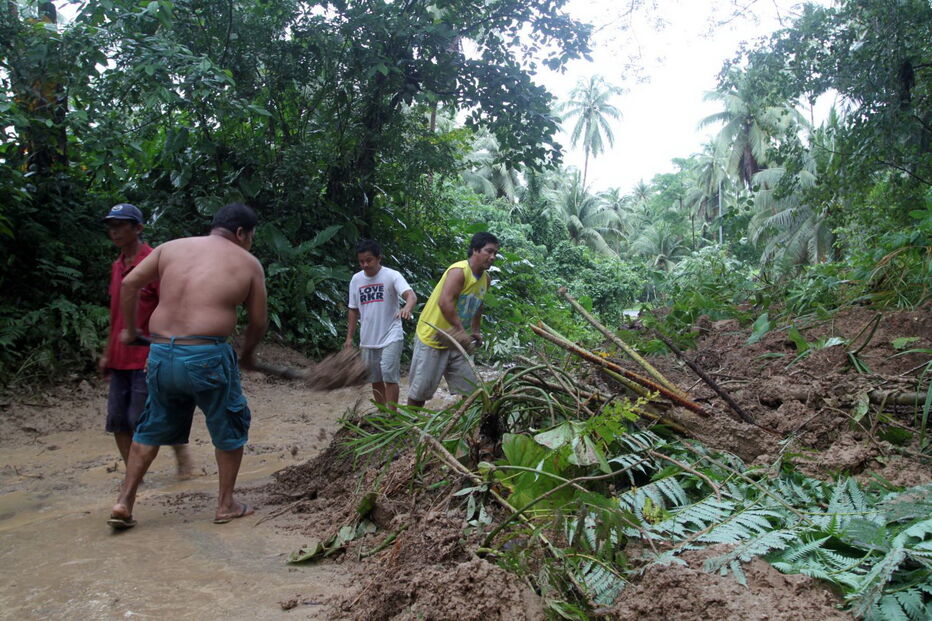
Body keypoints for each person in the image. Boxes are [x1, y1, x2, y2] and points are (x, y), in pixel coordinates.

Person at [107, 202, 267, 530]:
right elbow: (258, 322)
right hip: (206, 355)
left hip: (162, 354)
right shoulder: (248, 263)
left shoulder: (170, 248)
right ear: (241, 233)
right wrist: (248, 355)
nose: (250, 243)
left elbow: (128, 284)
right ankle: (225, 504)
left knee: (151, 426)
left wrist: (134, 331)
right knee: (229, 425)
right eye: (250, 237)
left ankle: (124, 500)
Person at [99, 203, 192, 478]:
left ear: (138, 228)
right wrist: (108, 352)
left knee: (140, 418)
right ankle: (133, 475)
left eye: (121, 225)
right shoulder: (117, 266)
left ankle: (178, 454)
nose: (114, 232)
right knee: (117, 420)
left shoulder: (155, 263)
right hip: (119, 356)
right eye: (111, 226)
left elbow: (173, 308)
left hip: (148, 354)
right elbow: (115, 314)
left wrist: (166, 348)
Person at [407, 232, 499, 407]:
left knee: (472, 390)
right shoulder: (459, 272)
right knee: (420, 392)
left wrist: (475, 330)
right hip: (434, 337)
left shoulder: (486, 279)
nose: (493, 257)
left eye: (495, 253)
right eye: (489, 251)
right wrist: (461, 332)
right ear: (475, 250)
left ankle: (468, 429)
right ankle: (408, 427)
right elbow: (445, 303)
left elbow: (478, 305)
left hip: (457, 341)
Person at [343, 239, 417, 407]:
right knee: (374, 379)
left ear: (379, 258)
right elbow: (353, 309)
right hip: (368, 338)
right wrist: (349, 337)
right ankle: (382, 414)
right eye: (361, 261)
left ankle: (391, 418)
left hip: (391, 334)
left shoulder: (392, 275)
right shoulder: (356, 280)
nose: (365, 265)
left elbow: (411, 296)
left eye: (369, 260)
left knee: (389, 377)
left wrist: (407, 308)